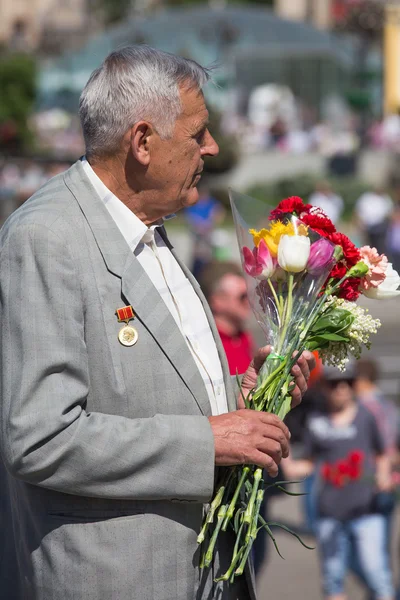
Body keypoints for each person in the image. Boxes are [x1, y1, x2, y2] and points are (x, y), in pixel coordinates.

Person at [0, 46, 314, 600]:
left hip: (205, 573)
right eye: (198, 133)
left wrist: (244, 396)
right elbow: (39, 437)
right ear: (142, 142)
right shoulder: (47, 237)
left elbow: (145, 383)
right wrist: (208, 440)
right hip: (115, 579)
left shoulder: (150, 223)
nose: (212, 148)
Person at [283, 364, 394, 600]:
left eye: (348, 382)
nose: (342, 389)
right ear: (323, 386)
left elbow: (382, 453)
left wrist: (384, 475)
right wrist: (287, 459)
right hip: (330, 513)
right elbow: (310, 463)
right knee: (333, 579)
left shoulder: (366, 415)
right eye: (334, 383)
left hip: (367, 512)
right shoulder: (316, 421)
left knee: (377, 575)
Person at [199, 261, 255, 376]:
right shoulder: (210, 345)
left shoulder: (243, 337)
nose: (248, 302)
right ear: (217, 301)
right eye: (242, 297)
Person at [184, 181, 225, 278]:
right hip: (197, 232)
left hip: (209, 231)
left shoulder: (211, 202)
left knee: (210, 254)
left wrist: (211, 222)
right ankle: (196, 272)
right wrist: (199, 225)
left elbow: (219, 213)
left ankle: (209, 271)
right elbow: (190, 217)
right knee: (198, 253)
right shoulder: (194, 203)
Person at [355, 186, 393, 252]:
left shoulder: (385, 198)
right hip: (367, 226)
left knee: (380, 246)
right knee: (368, 246)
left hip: (381, 226)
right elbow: (358, 211)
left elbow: (389, 213)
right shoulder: (366, 197)